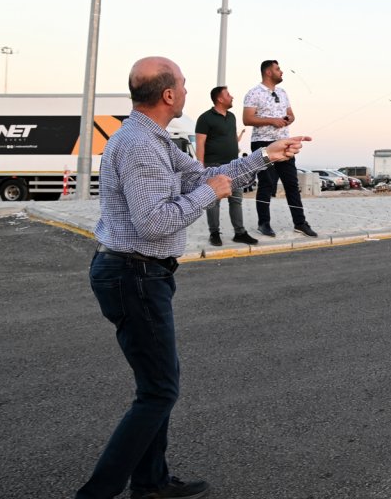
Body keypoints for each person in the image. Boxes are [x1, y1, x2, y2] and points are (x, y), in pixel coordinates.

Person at [79, 56, 308, 499]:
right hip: (134, 273)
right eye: (182, 84)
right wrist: (209, 194)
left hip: (141, 273)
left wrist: (264, 156)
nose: (186, 90)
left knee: (157, 386)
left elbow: (205, 175)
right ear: (167, 94)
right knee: (159, 391)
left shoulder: (154, 139)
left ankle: (151, 482)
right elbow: (155, 223)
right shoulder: (141, 146)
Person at [243, 59, 317, 237]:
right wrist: (272, 120)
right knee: (267, 183)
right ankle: (264, 223)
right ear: (268, 72)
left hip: (284, 143)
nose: (281, 71)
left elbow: (291, 115)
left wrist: (288, 119)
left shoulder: (283, 92)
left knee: (292, 183)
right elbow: (247, 119)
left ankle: (300, 223)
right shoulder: (254, 93)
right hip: (262, 143)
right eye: (278, 69)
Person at [196, 86, 258, 247]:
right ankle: (214, 233)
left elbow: (230, 139)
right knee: (213, 202)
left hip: (233, 166)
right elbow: (200, 144)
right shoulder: (205, 118)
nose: (232, 97)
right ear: (220, 99)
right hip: (213, 167)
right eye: (228, 94)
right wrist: (200, 168)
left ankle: (240, 232)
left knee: (236, 199)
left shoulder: (231, 117)